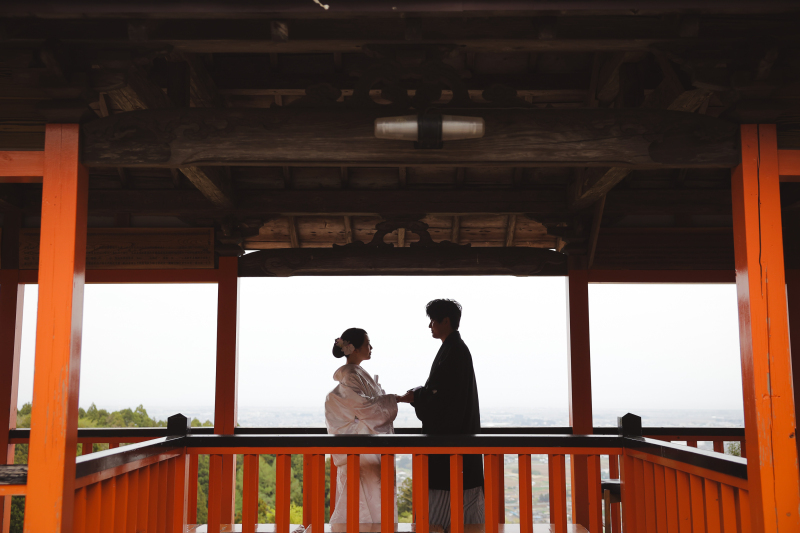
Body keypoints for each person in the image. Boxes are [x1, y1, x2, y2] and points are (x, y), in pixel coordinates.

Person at [397, 299, 484, 529]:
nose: (430, 327)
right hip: (459, 442)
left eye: (433, 321)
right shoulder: (455, 349)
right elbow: (442, 393)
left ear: (446, 321)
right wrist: (422, 394)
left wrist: (417, 397)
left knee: (441, 517)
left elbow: (442, 398)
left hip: (451, 447)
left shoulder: (454, 352)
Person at [325, 328, 399, 525]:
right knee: (362, 500)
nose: (371, 347)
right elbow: (366, 408)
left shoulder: (354, 374)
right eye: (367, 343)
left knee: (369, 497)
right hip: (362, 450)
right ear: (355, 349)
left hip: (365, 448)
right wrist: (397, 399)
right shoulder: (351, 376)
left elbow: (366, 407)